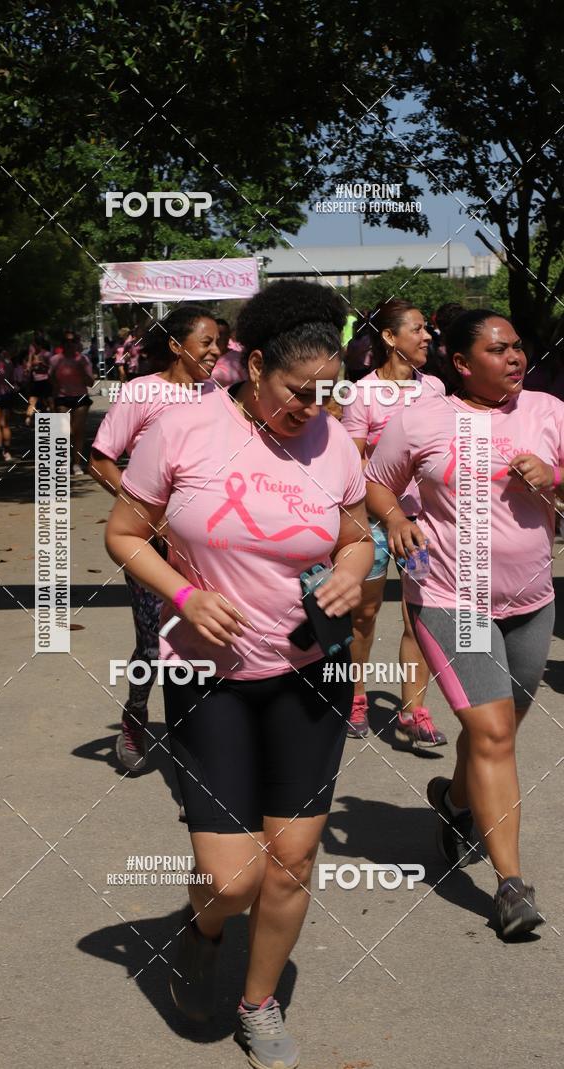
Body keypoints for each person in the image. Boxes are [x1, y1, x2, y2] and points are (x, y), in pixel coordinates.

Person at [105, 280, 373, 1069]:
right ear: (254, 368)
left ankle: (259, 1004)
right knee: (231, 878)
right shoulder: (182, 429)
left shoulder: (335, 441)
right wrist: (186, 594)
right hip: (209, 676)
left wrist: (352, 569)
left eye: (326, 393)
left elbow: (357, 535)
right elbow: (125, 532)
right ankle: (205, 925)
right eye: (298, 391)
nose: (312, 409)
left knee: (291, 860)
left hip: (311, 675)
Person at [365, 308, 562, 937]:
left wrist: (554, 476)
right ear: (460, 363)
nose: (515, 357)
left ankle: (453, 801)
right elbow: (376, 483)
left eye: (517, 346)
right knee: (494, 734)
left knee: (493, 735)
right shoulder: (421, 420)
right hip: (454, 599)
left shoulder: (549, 412)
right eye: (498, 349)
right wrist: (397, 520)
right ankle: (511, 887)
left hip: (532, 603)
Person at [89, 306, 221, 772]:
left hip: (207, 542)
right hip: (150, 542)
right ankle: (135, 715)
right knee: (152, 642)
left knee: (206, 635)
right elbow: (101, 460)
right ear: (177, 346)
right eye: (207, 342)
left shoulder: (218, 395)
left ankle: (202, 739)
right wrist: (150, 514)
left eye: (219, 342)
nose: (216, 350)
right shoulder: (141, 391)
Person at [341, 299, 448, 747]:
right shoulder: (361, 393)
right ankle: (355, 697)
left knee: (417, 616)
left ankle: (413, 711)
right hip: (373, 525)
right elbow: (352, 462)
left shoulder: (435, 388)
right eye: (417, 329)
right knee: (363, 615)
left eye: (427, 329)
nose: (428, 336)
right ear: (389, 337)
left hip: (422, 524)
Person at [51, 330, 94, 475]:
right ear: (62, 344)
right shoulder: (55, 360)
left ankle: (77, 464)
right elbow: (51, 380)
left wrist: (82, 371)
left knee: (78, 431)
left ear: (77, 343)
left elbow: (91, 383)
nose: (69, 344)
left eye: (72, 341)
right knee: (64, 431)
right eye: (66, 342)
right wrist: (52, 398)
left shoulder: (83, 360)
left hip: (80, 397)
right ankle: (63, 461)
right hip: (62, 398)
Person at [211, 316, 247, 387]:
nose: (224, 338)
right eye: (220, 334)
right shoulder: (203, 357)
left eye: (227, 334)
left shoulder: (239, 357)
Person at [25, 345, 53, 424]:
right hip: (35, 382)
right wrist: (30, 367)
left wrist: (43, 364)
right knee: (32, 401)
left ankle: (54, 418)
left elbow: (51, 367)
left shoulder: (46, 354)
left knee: (50, 401)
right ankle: (28, 419)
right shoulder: (31, 355)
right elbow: (28, 369)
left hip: (45, 380)